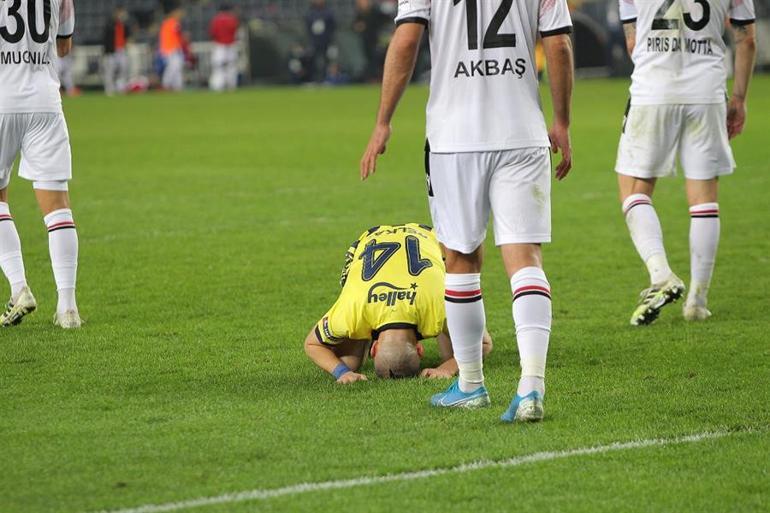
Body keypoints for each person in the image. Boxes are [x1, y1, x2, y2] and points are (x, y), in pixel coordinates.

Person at [360, 1, 574, 422]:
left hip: (455, 138)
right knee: (525, 257)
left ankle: (472, 384)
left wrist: (384, 120)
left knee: (460, 260)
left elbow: (407, 38)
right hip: (521, 133)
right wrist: (562, 120)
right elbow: (559, 45)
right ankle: (531, 386)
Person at [616, 0, 757, 325]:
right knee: (704, 198)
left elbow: (633, 41)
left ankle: (661, 273)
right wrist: (739, 98)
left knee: (634, 189)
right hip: (706, 89)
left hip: (654, 89)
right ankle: (697, 300)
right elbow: (746, 38)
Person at [304, 224, 492, 383]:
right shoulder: (352, 310)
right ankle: (366, 328)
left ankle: (364, 330)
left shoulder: (351, 310)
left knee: (349, 362)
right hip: (420, 238)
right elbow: (482, 343)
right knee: (456, 346)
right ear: (419, 349)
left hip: (397, 239)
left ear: (374, 348)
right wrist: (447, 368)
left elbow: (312, 345)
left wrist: (342, 372)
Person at [0, 0, 82, 329]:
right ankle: (68, 308)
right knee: (58, 205)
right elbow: (64, 47)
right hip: (45, 101)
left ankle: (19, 287)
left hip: (2, 98)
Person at [209, 3, 240, 91]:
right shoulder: (232, 19)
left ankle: (217, 86)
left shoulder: (216, 19)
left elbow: (212, 33)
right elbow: (235, 31)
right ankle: (231, 86)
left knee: (218, 67)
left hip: (220, 45)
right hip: (231, 45)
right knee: (231, 66)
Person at [305, 0, 337, 83]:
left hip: (326, 41)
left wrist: (331, 41)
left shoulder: (328, 12)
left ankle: (325, 80)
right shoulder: (310, 13)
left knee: (326, 61)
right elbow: (308, 28)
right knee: (312, 61)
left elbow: (332, 27)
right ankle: (313, 80)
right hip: (314, 41)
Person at [103, 6, 131, 96]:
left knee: (123, 69)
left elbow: (127, 37)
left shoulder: (124, 25)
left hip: (121, 50)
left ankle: (121, 87)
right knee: (110, 71)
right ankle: (109, 89)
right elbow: (106, 39)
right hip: (111, 51)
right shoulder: (110, 24)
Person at [159, 6, 187, 91]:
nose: (180, 14)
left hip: (170, 48)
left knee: (177, 67)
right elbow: (177, 36)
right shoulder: (173, 22)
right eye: (178, 13)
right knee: (173, 67)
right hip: (171, 48)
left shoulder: (167, 23)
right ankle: (166, 85)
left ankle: (177, 86)